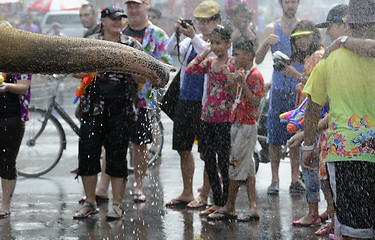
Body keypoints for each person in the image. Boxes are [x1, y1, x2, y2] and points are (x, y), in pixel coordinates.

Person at [301, 0, 375, 239]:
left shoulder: (330, 59)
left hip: (348, 152)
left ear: (347, 23)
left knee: (354, 230)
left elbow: (312, 108)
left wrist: (309, 146)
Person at [73, 7, 143, 220]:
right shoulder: (90, 42)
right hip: (93, 107)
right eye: (113, 19)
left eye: (121, 19)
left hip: (121, 109)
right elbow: (76, 72)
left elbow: (141, 79)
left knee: (117, 155)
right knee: (87, 153)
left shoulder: (132, 44)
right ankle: (90, 202)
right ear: (103, 21)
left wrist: (129, 65)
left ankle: (118, 204)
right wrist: (96, 64)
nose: (118, 22)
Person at [165, 0, 222, 209]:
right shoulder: (193, 40)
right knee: (182, 147)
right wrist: (177, 33)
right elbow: (170, 49)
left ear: (217, 21)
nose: (201, 26)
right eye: (198, 21)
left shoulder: (221, 41)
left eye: (206, 21)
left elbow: (214, 56)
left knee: (207, 151)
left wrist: (193, 38)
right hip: (184, 100)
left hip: (205, 104)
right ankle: (187, 191)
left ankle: (205, 195)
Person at [206, 36, 264, 222]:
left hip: (247, 125)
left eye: (237, 55)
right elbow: (233, 97)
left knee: (235, 165)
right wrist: (231, 82)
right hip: (237, 123)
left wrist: (242, 84)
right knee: (247, 168)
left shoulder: (255, 76)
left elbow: (255, 102)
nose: (235, 58)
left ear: (248, 55)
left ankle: (230, 206)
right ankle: (253, 207)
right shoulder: (242, 72)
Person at [123, 0, 172, 203]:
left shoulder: (158, 35)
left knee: (140, 143)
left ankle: (138, 184)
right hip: (118, 96)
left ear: (146, 8)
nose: (134, 10)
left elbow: (167, 66)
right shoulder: (119, 32)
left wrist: (143, 67)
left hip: (146, 96)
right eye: (130, 6)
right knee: (112, 142)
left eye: (138, 6)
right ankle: (108, 185)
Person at [255, 0, 305, 194]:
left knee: (296, 134)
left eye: (294, 1)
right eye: (287, 2)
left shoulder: (303, 28)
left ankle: (294, 178)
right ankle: (274, 179)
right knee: (274, 136)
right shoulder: (271, 28)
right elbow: (258, 59)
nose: (290, 5)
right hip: (278, 89)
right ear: (281, 4)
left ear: (298, 3)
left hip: (300, 90)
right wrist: (266, 43)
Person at [186, 25, 235, 216]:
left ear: (228, 43)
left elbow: (234, 91)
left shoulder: (232, 64)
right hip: (207, 117)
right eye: (212, 43)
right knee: (208, 159)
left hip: (224, 120)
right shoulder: (210, 62)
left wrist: (231, 78)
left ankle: (226, 203)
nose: (215, 46)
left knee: (223, 162)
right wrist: (204, 52)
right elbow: (190, 69)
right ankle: (217, 202)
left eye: (218, 43)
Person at [0, 73, 31, 218]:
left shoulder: (18, 60)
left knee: (7, 161)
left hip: (11, 118)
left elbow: (24, 87)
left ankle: (5, 205)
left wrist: (7, 86)